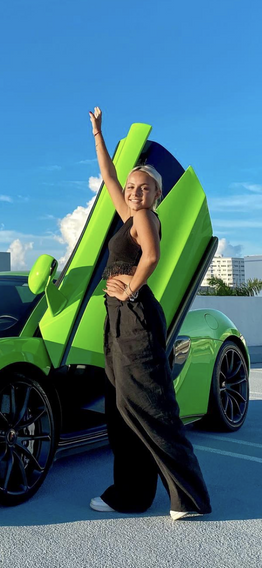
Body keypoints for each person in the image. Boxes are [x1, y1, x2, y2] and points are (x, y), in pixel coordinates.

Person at [88, 106, 212, 520]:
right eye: (131, 187)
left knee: (149, 404)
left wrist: (130, 291)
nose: (134, 192)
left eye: (143, 187)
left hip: (134, 315)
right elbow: (108, 178)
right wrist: (99, 136)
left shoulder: (144, 217)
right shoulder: (128, 216)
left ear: (156, 195)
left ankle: (188, 499)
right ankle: (132, 494)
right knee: (124, 406)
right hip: (120, 318)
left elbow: (153, 257)